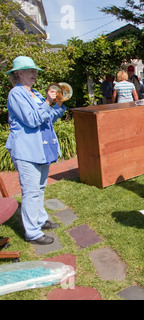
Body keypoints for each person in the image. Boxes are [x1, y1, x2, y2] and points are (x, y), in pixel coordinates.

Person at [5, 56, 68, 245]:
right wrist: (48, 103)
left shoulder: (36, 94)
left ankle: (40, 220)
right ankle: (32, 232)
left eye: (35, 71)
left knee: (40, 188)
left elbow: (47, 119)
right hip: (26, 150)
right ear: (19, 74)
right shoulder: (16, 94)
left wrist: (58, 104)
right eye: (30, 71)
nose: (34, 74)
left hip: (41, 149)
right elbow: (32, 119)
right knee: (31, 191)